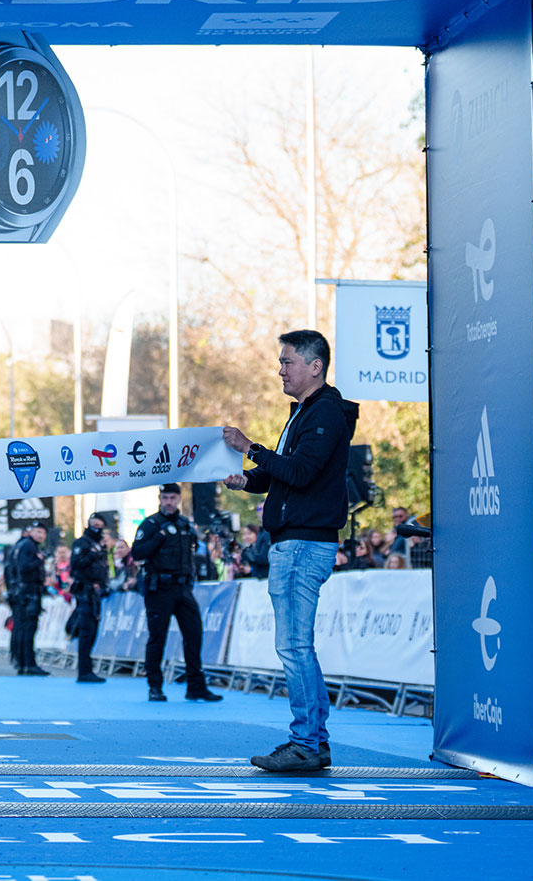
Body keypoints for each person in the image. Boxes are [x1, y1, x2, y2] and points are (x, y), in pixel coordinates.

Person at [222, 328, 357, 774]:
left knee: (294, 646)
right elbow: (289, 474)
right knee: (299, 646)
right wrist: (248, 479)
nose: (280, 369)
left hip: (302, 543)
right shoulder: (307, 412)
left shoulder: (324, 414)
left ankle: (305, 741)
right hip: (297, 541)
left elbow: (300, 472)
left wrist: (250, 449)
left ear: (315, 367)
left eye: (288, 362)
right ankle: (313, 740)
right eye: (281, 362)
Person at [129, 485, 224, 704]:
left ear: (179, 499)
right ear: (160, 498)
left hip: (182, 588)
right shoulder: (151, 524)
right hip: (159, 589)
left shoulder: (185, 525)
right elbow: (137, 553)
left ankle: (196, 687)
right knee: (157, 638)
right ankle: (155, 687)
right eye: (165, 497)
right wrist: (157, 539)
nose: (169, 501)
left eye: (173, 497)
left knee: (194, 635)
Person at [68, 512, 111, 683]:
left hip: (96, 593)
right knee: (86, 631)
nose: (97, 529)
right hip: (85, 592)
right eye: (95, 525)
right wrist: (93, 553)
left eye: (100, 526)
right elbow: (76, 565)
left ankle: (87, 669)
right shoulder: (82, 543)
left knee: (92, 631)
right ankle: (84, 671)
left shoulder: (98, 544)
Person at [5, 525, 51, 675]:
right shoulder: (28, 546)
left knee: (22, 628)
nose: (41, 535)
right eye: (38, 531)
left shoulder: (20, 546)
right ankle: (27, 663)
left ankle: (22, 662)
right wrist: (39, 561)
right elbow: (23, 568)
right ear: (29, 532)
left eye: (43, 532)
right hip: (27, 593)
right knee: (28, 629)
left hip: (21, 593)